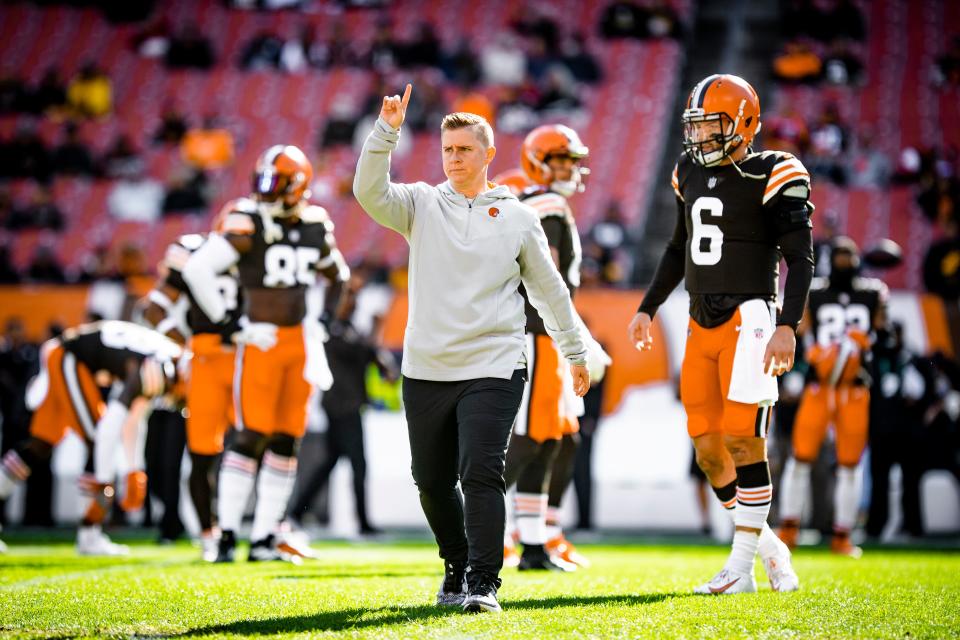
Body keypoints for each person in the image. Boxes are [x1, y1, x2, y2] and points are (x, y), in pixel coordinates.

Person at [354, 85, 591, 613]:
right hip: (427, 366)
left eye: (464, 149)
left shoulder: (518, 216)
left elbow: (551, 291)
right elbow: (369, 192)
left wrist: (575, 353)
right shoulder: (420, 203)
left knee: (480, 472)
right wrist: (385, 131)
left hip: (495, 363)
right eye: (447, 150)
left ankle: (484, 583)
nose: (454, 158)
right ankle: (455, 563)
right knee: (431, 481)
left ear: (489, 155)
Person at [628, 74, 813, 594]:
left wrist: (786, 325)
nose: (702, 134)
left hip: (750, 319)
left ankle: (740, 568)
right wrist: (648, 306)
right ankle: (770, 547)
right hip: (699, 319)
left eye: (713, 123)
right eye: (698, 124)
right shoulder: (687, 168)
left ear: (744, 122)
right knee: (708, 449)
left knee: (744, 440)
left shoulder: (775, 170)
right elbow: (677, 247)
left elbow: (800, 258)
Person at [182, 145, 349, 563]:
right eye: (263, 181)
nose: (265, 191)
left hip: (298, 344)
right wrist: (231, 323)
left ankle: (261, 539)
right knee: (249, 435)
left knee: (287, 439)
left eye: (274, 183)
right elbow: (196, 269)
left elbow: (338, 275)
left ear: (298, 187)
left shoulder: (313, 223)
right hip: (261, 342)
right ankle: (224, 536)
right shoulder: (247, 219)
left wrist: (325, 319)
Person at [500, 124, 605, 572]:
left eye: (571, 161)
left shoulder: (539, 204)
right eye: (560, 160)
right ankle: (471, 525)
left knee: (547, 441)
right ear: (538, 161)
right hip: (535, 335)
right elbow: (547, 281)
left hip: (546, 335)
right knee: (526, 441)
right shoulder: (546, 208)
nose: (569, 169)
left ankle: (535, 544)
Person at [0, 321, 181, 555]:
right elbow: (110, 429)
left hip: (65, 355)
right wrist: (106, 487)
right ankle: (89, 534)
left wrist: (134, 469)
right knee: (97, 443)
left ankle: (90, 534)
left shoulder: (162, 356)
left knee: (40, 446)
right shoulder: (162, 365)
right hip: (69, 358)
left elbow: (134, 419)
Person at [139, 227, 244, 561]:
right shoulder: (192, 251)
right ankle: (208, 533)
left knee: (257, 445)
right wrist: (182, 347)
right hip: (204, 359)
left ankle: (267, 529)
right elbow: (153, 308)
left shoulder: (255, 249)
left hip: (248, 356)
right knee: (202, 453)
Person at [778, 238, 888, 557]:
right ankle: (789, 528)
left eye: (848, 256)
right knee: (800, 459)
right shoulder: (816, 293)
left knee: (850, 465)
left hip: (854, 387)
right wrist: (808, 360)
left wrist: (865, 345)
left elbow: (884, 334)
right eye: (840, 256)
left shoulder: (873, 293)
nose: (844, 261)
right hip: (819, 386)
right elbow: (799, 333)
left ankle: (842, 534)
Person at [286, 273, 399, 534]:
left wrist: (384, 364)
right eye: (349, 297)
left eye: (356, 298)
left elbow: (371, 354)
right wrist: (376, 331)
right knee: (358, 463)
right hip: (341, 404)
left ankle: (295, 513)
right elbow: (360, 350)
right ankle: (362, 522)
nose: (354, 303)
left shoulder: (348, 328)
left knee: (330, 461)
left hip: (347, 403)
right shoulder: (329, 329)